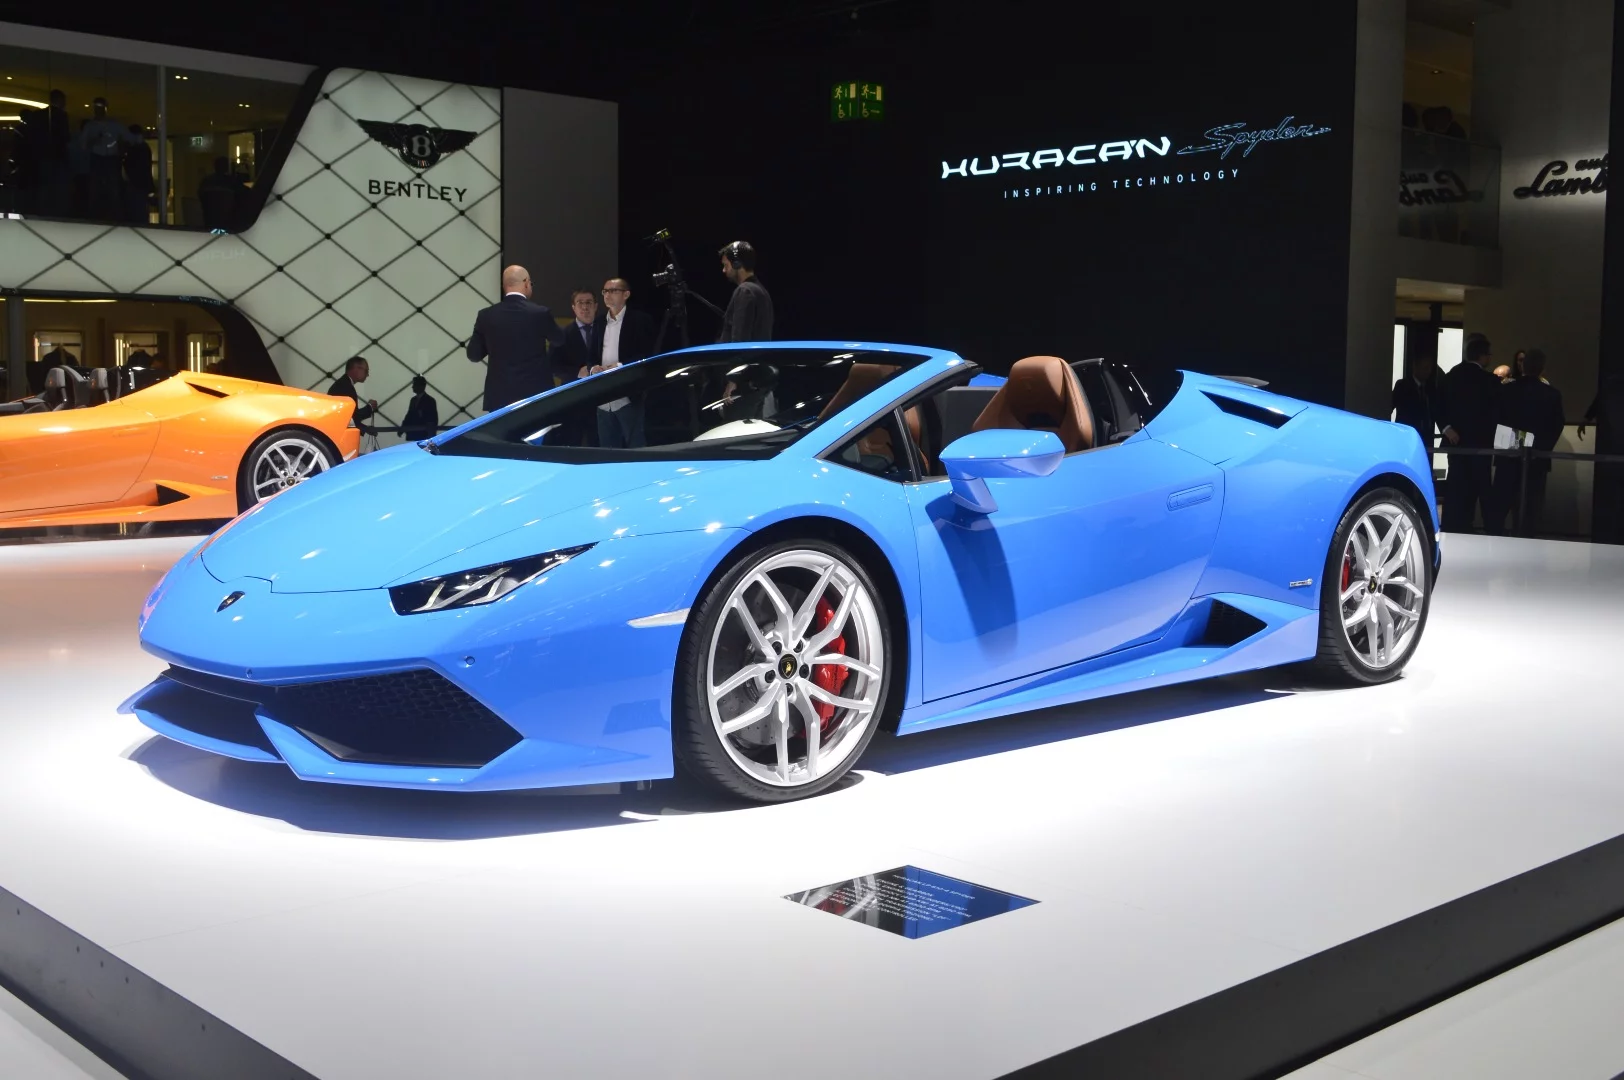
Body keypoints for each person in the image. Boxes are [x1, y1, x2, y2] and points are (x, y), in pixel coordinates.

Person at [466, 265, 564, 412]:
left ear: (504, 286)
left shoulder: (486, 316)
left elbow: (473, 355)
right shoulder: (540, 313)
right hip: (536, 396)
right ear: (526, 282)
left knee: (502, 436)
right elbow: (560, 340)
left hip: (499, 398)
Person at [1490, 349, 1565, 535]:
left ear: (1523, 365)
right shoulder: (1552, 394)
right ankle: (1529, 545)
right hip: (1537, 457)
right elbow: (1556, 425)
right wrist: (1539, 447)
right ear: (1542, 368)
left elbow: (1496, 418)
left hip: (1508, 452)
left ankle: (1493, 542)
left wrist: (1513, 442)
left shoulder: (1506, 390)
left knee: (1501, 504)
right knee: (1532, 508)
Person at [1437, 335, 1503, 533]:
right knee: (1483, 489)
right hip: (1481, 443)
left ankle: (1452, 527)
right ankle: (1490, 530)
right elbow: (1497, 413)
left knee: (1456, 487)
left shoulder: (1451, 376)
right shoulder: (1490, 381)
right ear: (1483, 356)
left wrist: (1447, 428)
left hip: (1456, 442)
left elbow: (1439, 404)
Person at [582, 277, 658, 448]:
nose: (607, 295)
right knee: (607, 448)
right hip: (604, 395)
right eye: (605, 291)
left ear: (626, 294)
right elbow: (592, 354)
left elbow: (647, 353)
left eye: (613, 291)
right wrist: (593, 368)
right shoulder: (600, 321)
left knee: (636, 445)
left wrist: (619, 366)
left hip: (628, 393)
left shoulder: (639, 320)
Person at [79, 98, 139, 221]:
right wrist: (94, 140)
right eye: (96, 107)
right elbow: (83, 145)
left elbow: (131, 139)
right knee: (96, 189)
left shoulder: (115, 125)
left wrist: (123, 147)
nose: (98, 109)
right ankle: (95, 216)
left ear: (105, 108)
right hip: (97, 159)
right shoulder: (90, 126)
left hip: (112, 159)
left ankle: (115, 217)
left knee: (113, 189)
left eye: (100, 107)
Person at [717, 240, 773, 343]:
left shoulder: (745, 291)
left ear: (736, 264)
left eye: (726, 265)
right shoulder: (762, 291)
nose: (724, 270)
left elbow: (739, 342)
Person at [1392, 348, 1441, 454]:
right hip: (1407, 434)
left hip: (1426, 436)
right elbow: (1390, 406)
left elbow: (1435, 410)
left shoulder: (1431, 388)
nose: (1428, 371)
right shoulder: (1403, 385)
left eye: (1429, 368)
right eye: (1425, 368)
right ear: (1415, 367)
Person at [554, 287, 599, 385]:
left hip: (603, 388)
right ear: (573, 307)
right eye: (580, 302)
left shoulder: (606, 329)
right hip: (574, 391)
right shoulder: (562, 333)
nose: (585, 307)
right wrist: (577, 372)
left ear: (595, 306)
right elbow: (554, 366)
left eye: (588, 302)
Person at [328, 356, 378, 434]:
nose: (367, 374)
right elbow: (350, 418)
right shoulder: (345, 387)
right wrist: (369, 408)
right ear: (357, 368)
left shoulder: (343, 384)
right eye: (366, 371)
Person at [197, 157, 247, 230]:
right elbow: (243, 194)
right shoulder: (232, 181)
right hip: (228, 220)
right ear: (226, 167)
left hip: (210, 218)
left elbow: (201, 196)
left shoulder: (206, 181)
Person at [401, 375, 440, 442]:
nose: (412, 387)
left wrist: (403, 428)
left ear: (421, 386)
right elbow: (409, 416)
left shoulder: (428, 401)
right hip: (419, 434)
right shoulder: (428, 400)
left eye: (414, 384)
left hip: (422, 434)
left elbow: (431, 419)